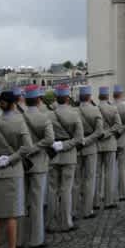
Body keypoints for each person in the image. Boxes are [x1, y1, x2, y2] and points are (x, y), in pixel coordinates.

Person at [0, 90, 32, 248]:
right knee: (12, 215)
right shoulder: (19, 122)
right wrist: (11, 158)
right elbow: (27, 147)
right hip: (13, 170)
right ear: (14, 104)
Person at [20, 85, 53, 248]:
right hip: (38, 162)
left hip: (22, 162)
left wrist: (24, 152)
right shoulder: (44, 117)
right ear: (39, 100)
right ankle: (36, 239)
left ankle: (19, 240)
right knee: (37, 203)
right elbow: (49, 140)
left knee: (21, 203)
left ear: (25, 100)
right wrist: (33, 149)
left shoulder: (19, 117)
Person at [47, 84, 83, 231]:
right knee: (66, 190)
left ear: (56, 98)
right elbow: (79, 138)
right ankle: (66, 222)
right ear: (68, 98)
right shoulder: (74, 114)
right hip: (68, 155)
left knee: (52, 190)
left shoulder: (48, 115)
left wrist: (56, 145)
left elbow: (46, 137)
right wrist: (65, 145)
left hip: (53, 155)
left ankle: (50, 222)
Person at [75, 86, 102, 219]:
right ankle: (87, 209)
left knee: (76, 180)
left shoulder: (73, 111)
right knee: (90, 179)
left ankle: (73, 210)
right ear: (90, 97)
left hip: (76, 148)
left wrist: (79, 140)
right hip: (90, 147)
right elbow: (99, 131)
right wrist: (87, 140)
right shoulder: (95, 110)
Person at [96, 86, 122, 210]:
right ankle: (108, 201)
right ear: (107, 96)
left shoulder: (94, 109)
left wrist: (100, 134)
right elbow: (118, 125)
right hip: (110, 143)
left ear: (98, 96)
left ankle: (95, 201)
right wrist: (107, 133)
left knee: (96, 174)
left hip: (96, 144)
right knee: (109, 173)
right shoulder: (113, 108)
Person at [113, 85, 125, 202]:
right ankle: (122, 192)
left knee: (109, 168)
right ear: (121, 95)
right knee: (122, 168)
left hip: (111, 140)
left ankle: (109, 192)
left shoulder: (109, 107)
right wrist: (121, 130)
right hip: (123, 139)